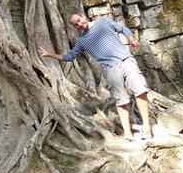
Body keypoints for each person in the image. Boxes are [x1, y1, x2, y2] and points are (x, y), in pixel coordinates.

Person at [38, 12, 152, 141]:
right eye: (76, 25)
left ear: (84, 16)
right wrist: (49, 54)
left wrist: (131, 39)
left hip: (126, 60)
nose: (79, 24)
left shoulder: (103, 22)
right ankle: (128, 133)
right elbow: (70, 56)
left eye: (79, 20)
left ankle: (147, 128)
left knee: (140, 90)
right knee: (120, 101)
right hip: (110, 69)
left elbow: (122, 28)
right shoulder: (82, 41)